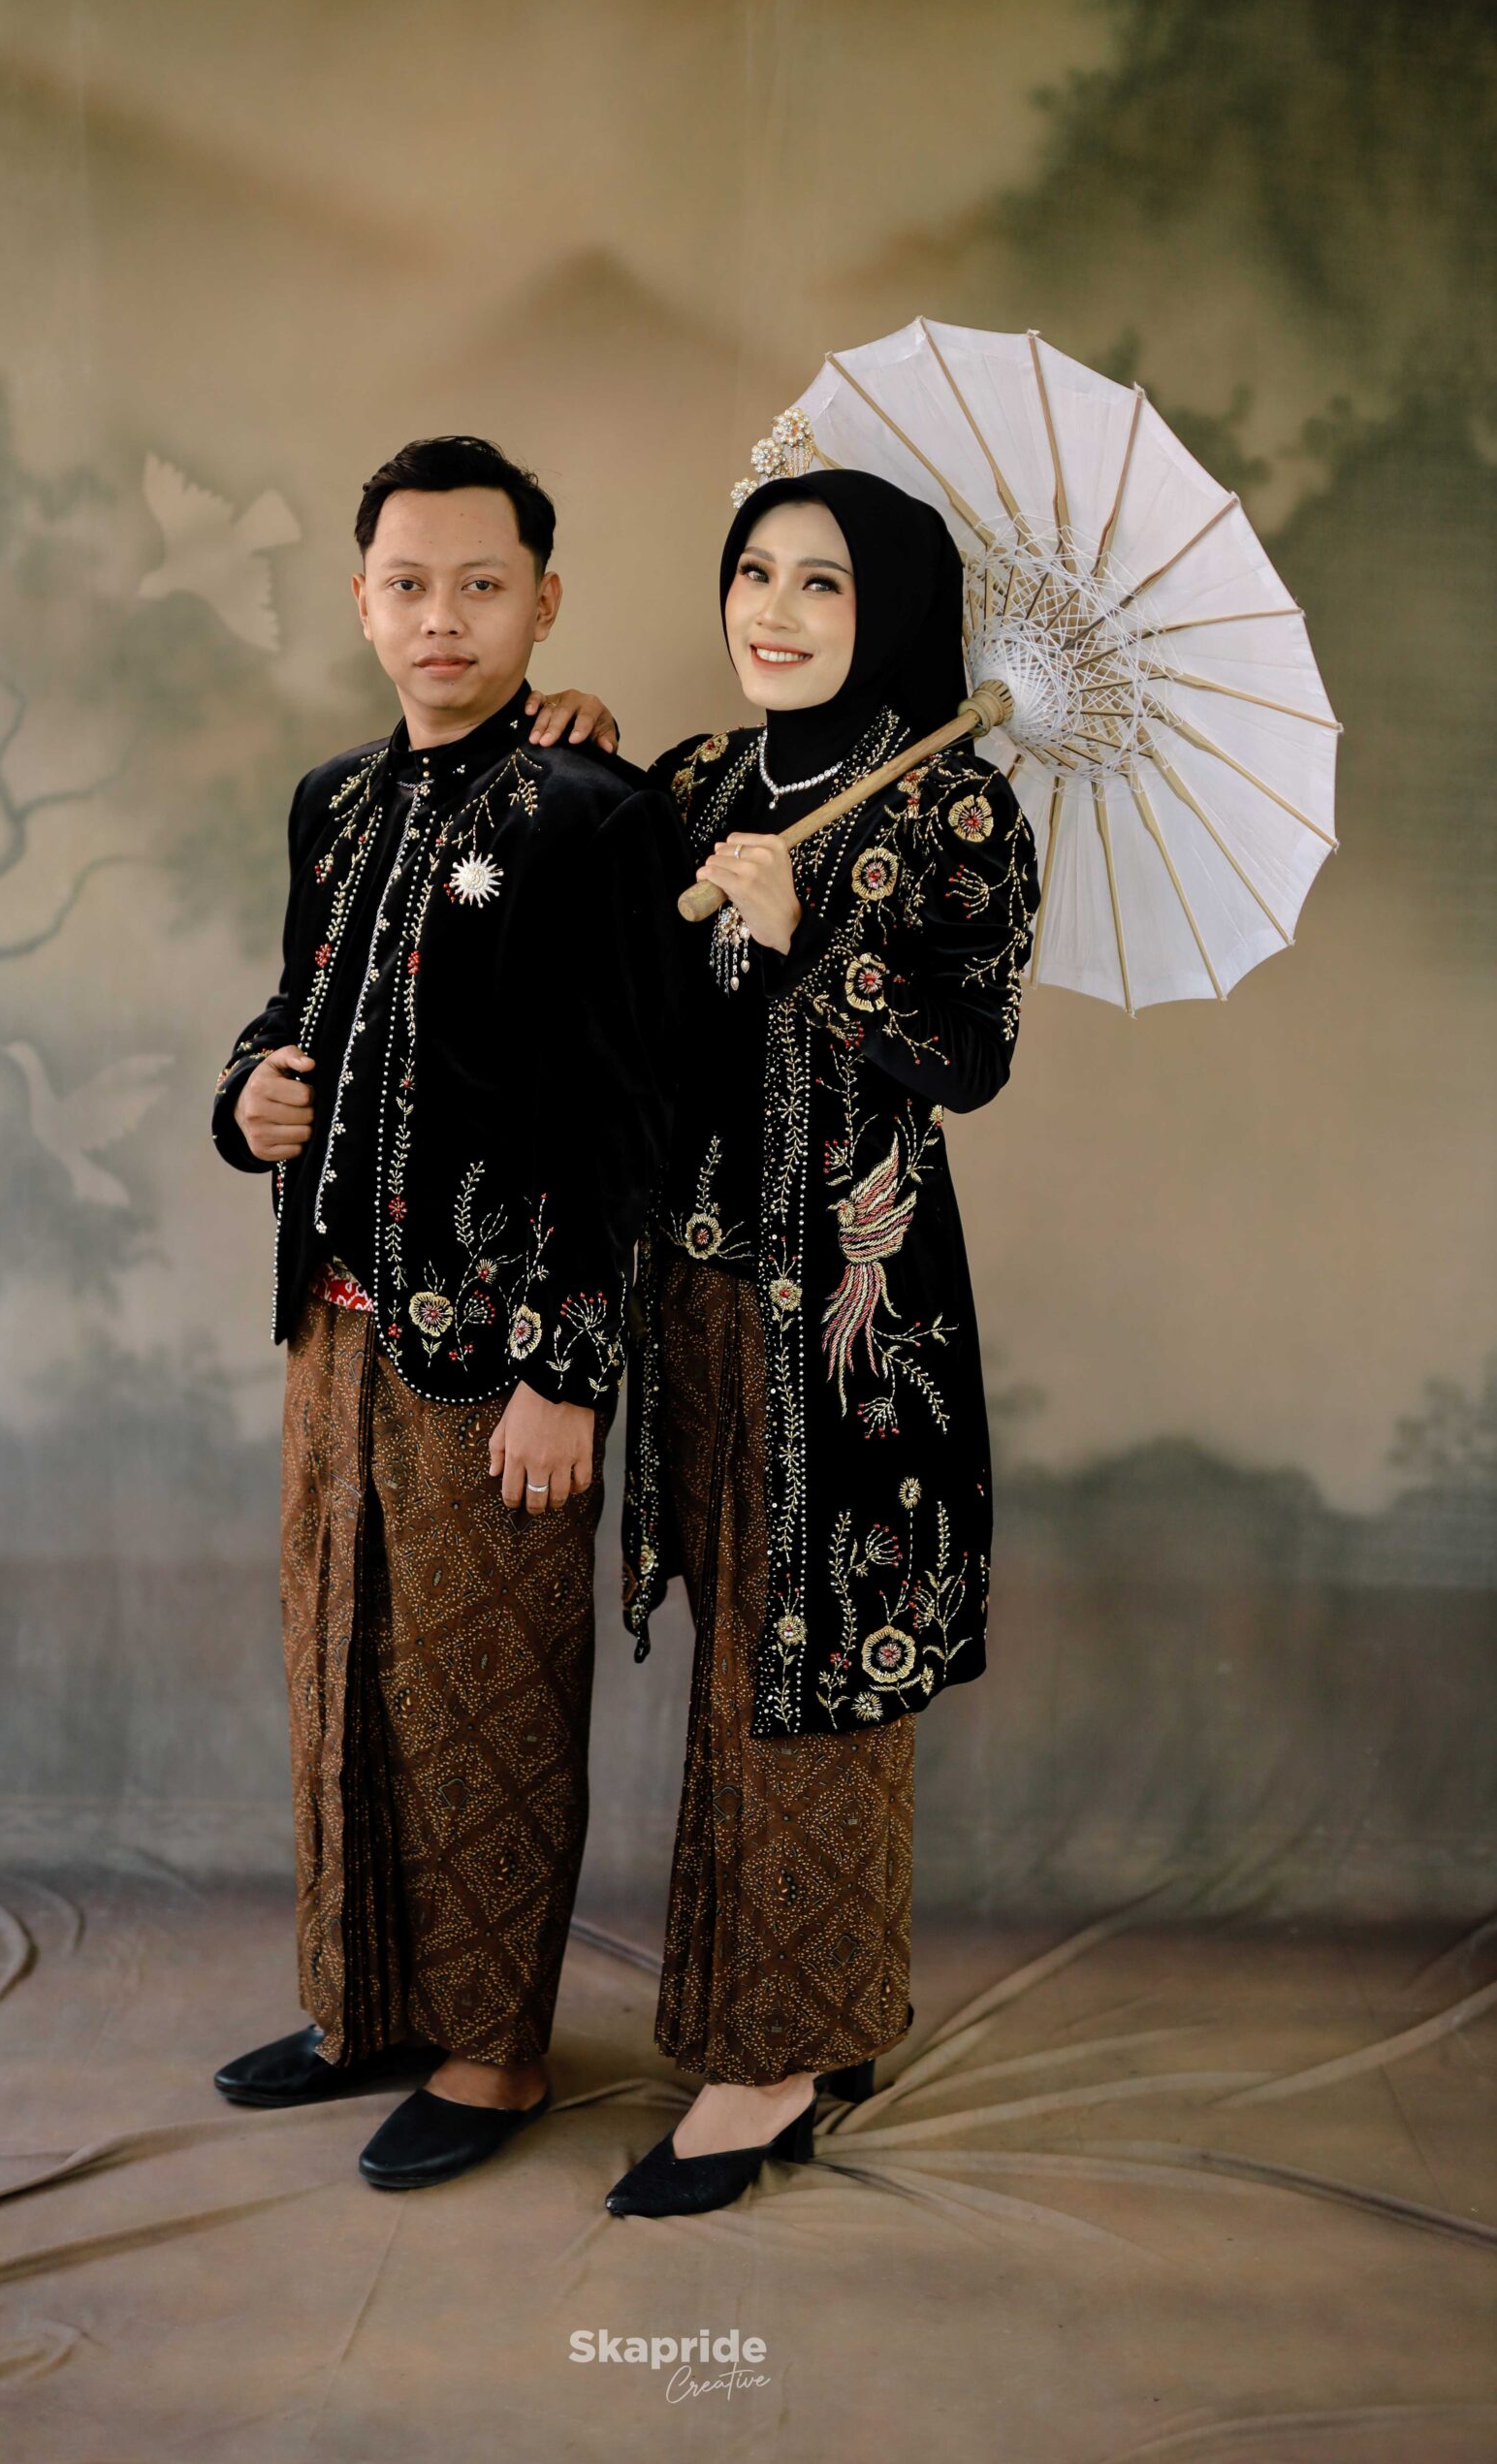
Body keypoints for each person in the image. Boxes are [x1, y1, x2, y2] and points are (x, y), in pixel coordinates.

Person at [208, 434, 686, 2192]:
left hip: (497, 1349)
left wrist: (571, 1368)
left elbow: (628, 1119)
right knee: (342, 1671)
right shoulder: (331, 802)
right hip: (332, 1327)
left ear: (543, 602)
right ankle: (365, 2007)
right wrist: (245, 1095)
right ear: (360, 602)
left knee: (486, 1695)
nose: (443, 618)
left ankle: (494, 2052)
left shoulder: (594, 815)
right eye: (408, 584)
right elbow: (292, 1007)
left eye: (482, 585)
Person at [608, 464, 1039, 2218]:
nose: (773, 612)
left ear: (898, 616)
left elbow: (973, 1060)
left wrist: (817, 946)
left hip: (853, 1327)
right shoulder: (698, 785)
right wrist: (575, 747)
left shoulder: (951, 809)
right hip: (697, 1303)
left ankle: (774, 2062)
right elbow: (608, 977)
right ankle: (810, 2008)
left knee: (822, 1660)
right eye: (756, 571)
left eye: (825, 584)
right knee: (739, 1658)